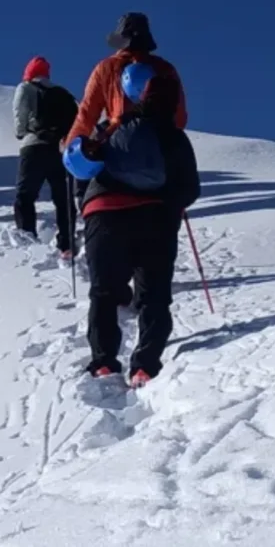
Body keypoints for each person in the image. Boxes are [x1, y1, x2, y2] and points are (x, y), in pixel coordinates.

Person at [64, 64, 199, 386]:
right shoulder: (175, 137)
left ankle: (103, 362)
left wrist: (87, 205)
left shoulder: (112, 127)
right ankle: (144, 366)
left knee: (104, 292)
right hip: (156, 219)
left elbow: (83, 170)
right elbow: (190, 189)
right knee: (154, 295)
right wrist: (170, 204)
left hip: (104, 213)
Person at [64, 12, 188, 155]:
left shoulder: (106, 68)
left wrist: (70, 151)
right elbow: (180, 118)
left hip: (120, 146)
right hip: (161, 147)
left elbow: (86, 115)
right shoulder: (165, 69)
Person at [12, 56, 79, 255]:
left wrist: (22, 133)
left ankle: (27, 239)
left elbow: (19, 119)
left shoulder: (26, 88)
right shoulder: (62, 93)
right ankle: (66, 243)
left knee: (25, 195)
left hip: (33, 147)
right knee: (62, 198)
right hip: (59, 150)